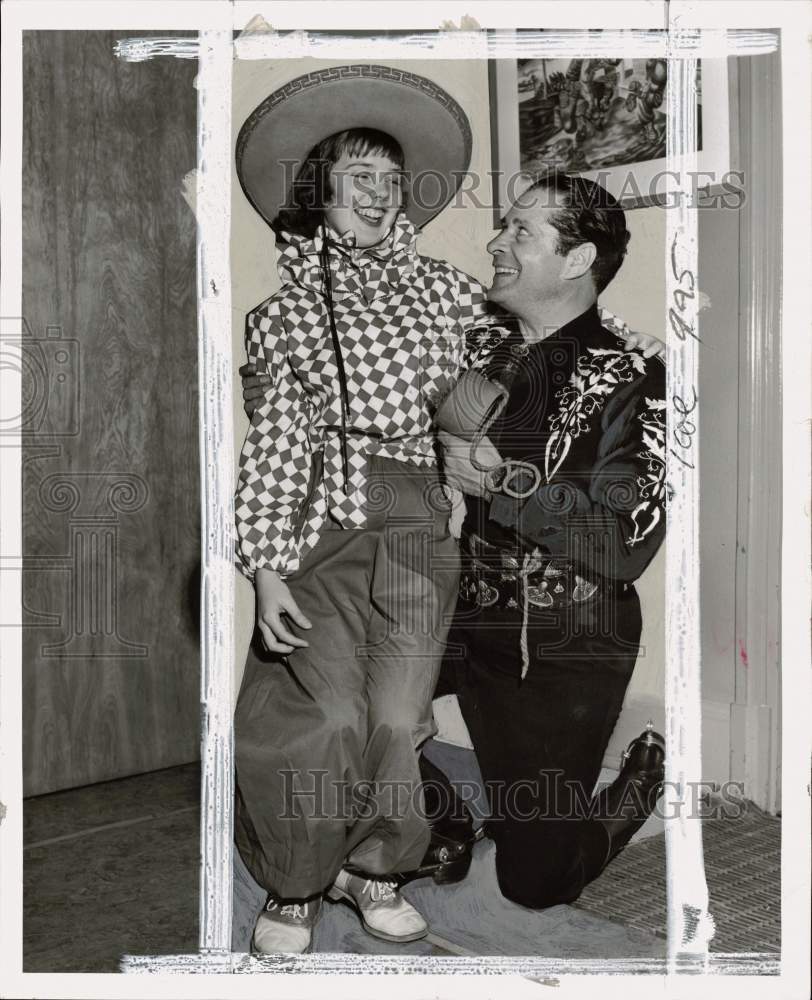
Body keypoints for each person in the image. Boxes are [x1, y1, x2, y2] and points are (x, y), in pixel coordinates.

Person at [234, 67, 664, 953]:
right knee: (337, 713)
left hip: (491, 580)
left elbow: (618, 537)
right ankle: (328, 869)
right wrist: (272, 547)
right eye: (359, 178)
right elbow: (297, 414)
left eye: (390, 181)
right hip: (384, 550)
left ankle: (404, 858)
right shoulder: (349, 316)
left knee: (453, 784)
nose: (381, 196)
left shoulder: (596, 360)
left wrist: (508, 472)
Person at [436, 169, 667, 909]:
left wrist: (503, 484)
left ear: (576, 260)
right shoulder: (473, 346)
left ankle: (635, 788)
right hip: (462, 614)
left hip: (568, 640)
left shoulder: (639, 375)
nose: (495, 242)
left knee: (534, 883)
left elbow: (624, 543)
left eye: (520, 232)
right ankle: (443, 827)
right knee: (326, 681)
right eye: (503, 226)